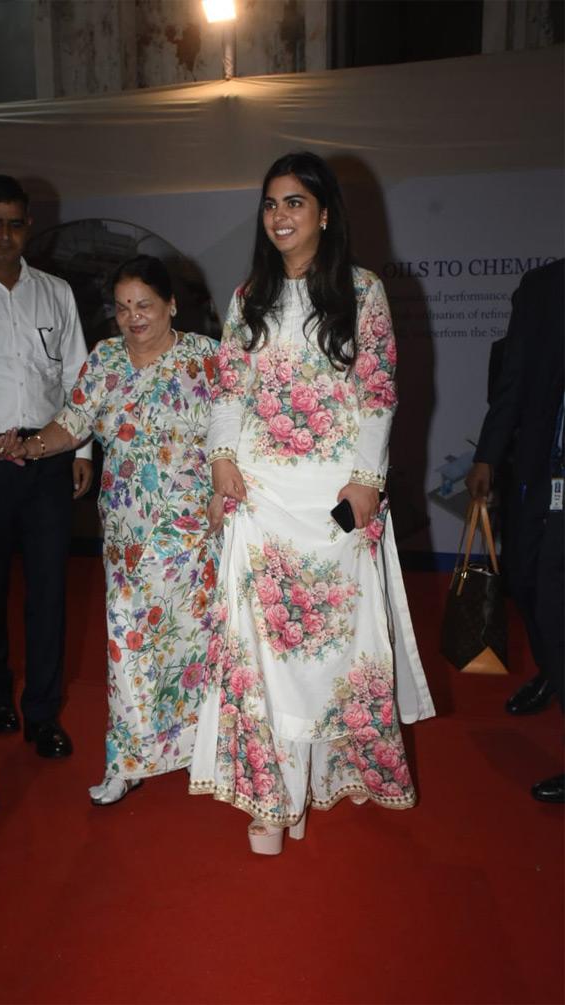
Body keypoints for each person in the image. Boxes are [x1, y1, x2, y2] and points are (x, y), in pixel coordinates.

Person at [189, 151, 435, 855]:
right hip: (263, 498)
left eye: (295, 202)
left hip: (332, 503)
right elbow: (229, 393)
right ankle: (273, 798)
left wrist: (365, 481)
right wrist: (222, 461)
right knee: (262, 653)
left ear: (325, 213)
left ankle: (309, 776)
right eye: (270, 204)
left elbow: (378, 394)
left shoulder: (363, 292)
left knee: (327, 652)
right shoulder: (247, 298)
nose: (280, 216)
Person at [4, 255, 219, 804]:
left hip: (192, 536)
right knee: (127, 647)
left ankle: (203, 750)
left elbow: (235, 437)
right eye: (123, 307)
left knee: (195, 650)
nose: (133, 317)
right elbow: (71, 423)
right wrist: (28, 447)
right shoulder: (103, 361)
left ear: (172, 305)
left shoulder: (205, 359)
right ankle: (127, 760)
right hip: (126, 536)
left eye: (144, 305)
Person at [0, 175, 93, 758]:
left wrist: (80, 451)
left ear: (28, 226)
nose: (5, 234)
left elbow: (80, 376)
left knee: (50, 591)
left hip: (49, 459)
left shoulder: (55, 292)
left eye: (15, 222)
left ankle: (43, 714)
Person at [466, 260, 564, 803]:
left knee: (554, 601)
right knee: (525, 582)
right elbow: (514, 379)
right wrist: (488, 456)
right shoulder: (543, 288)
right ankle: (552, 669)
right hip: (544, 470)